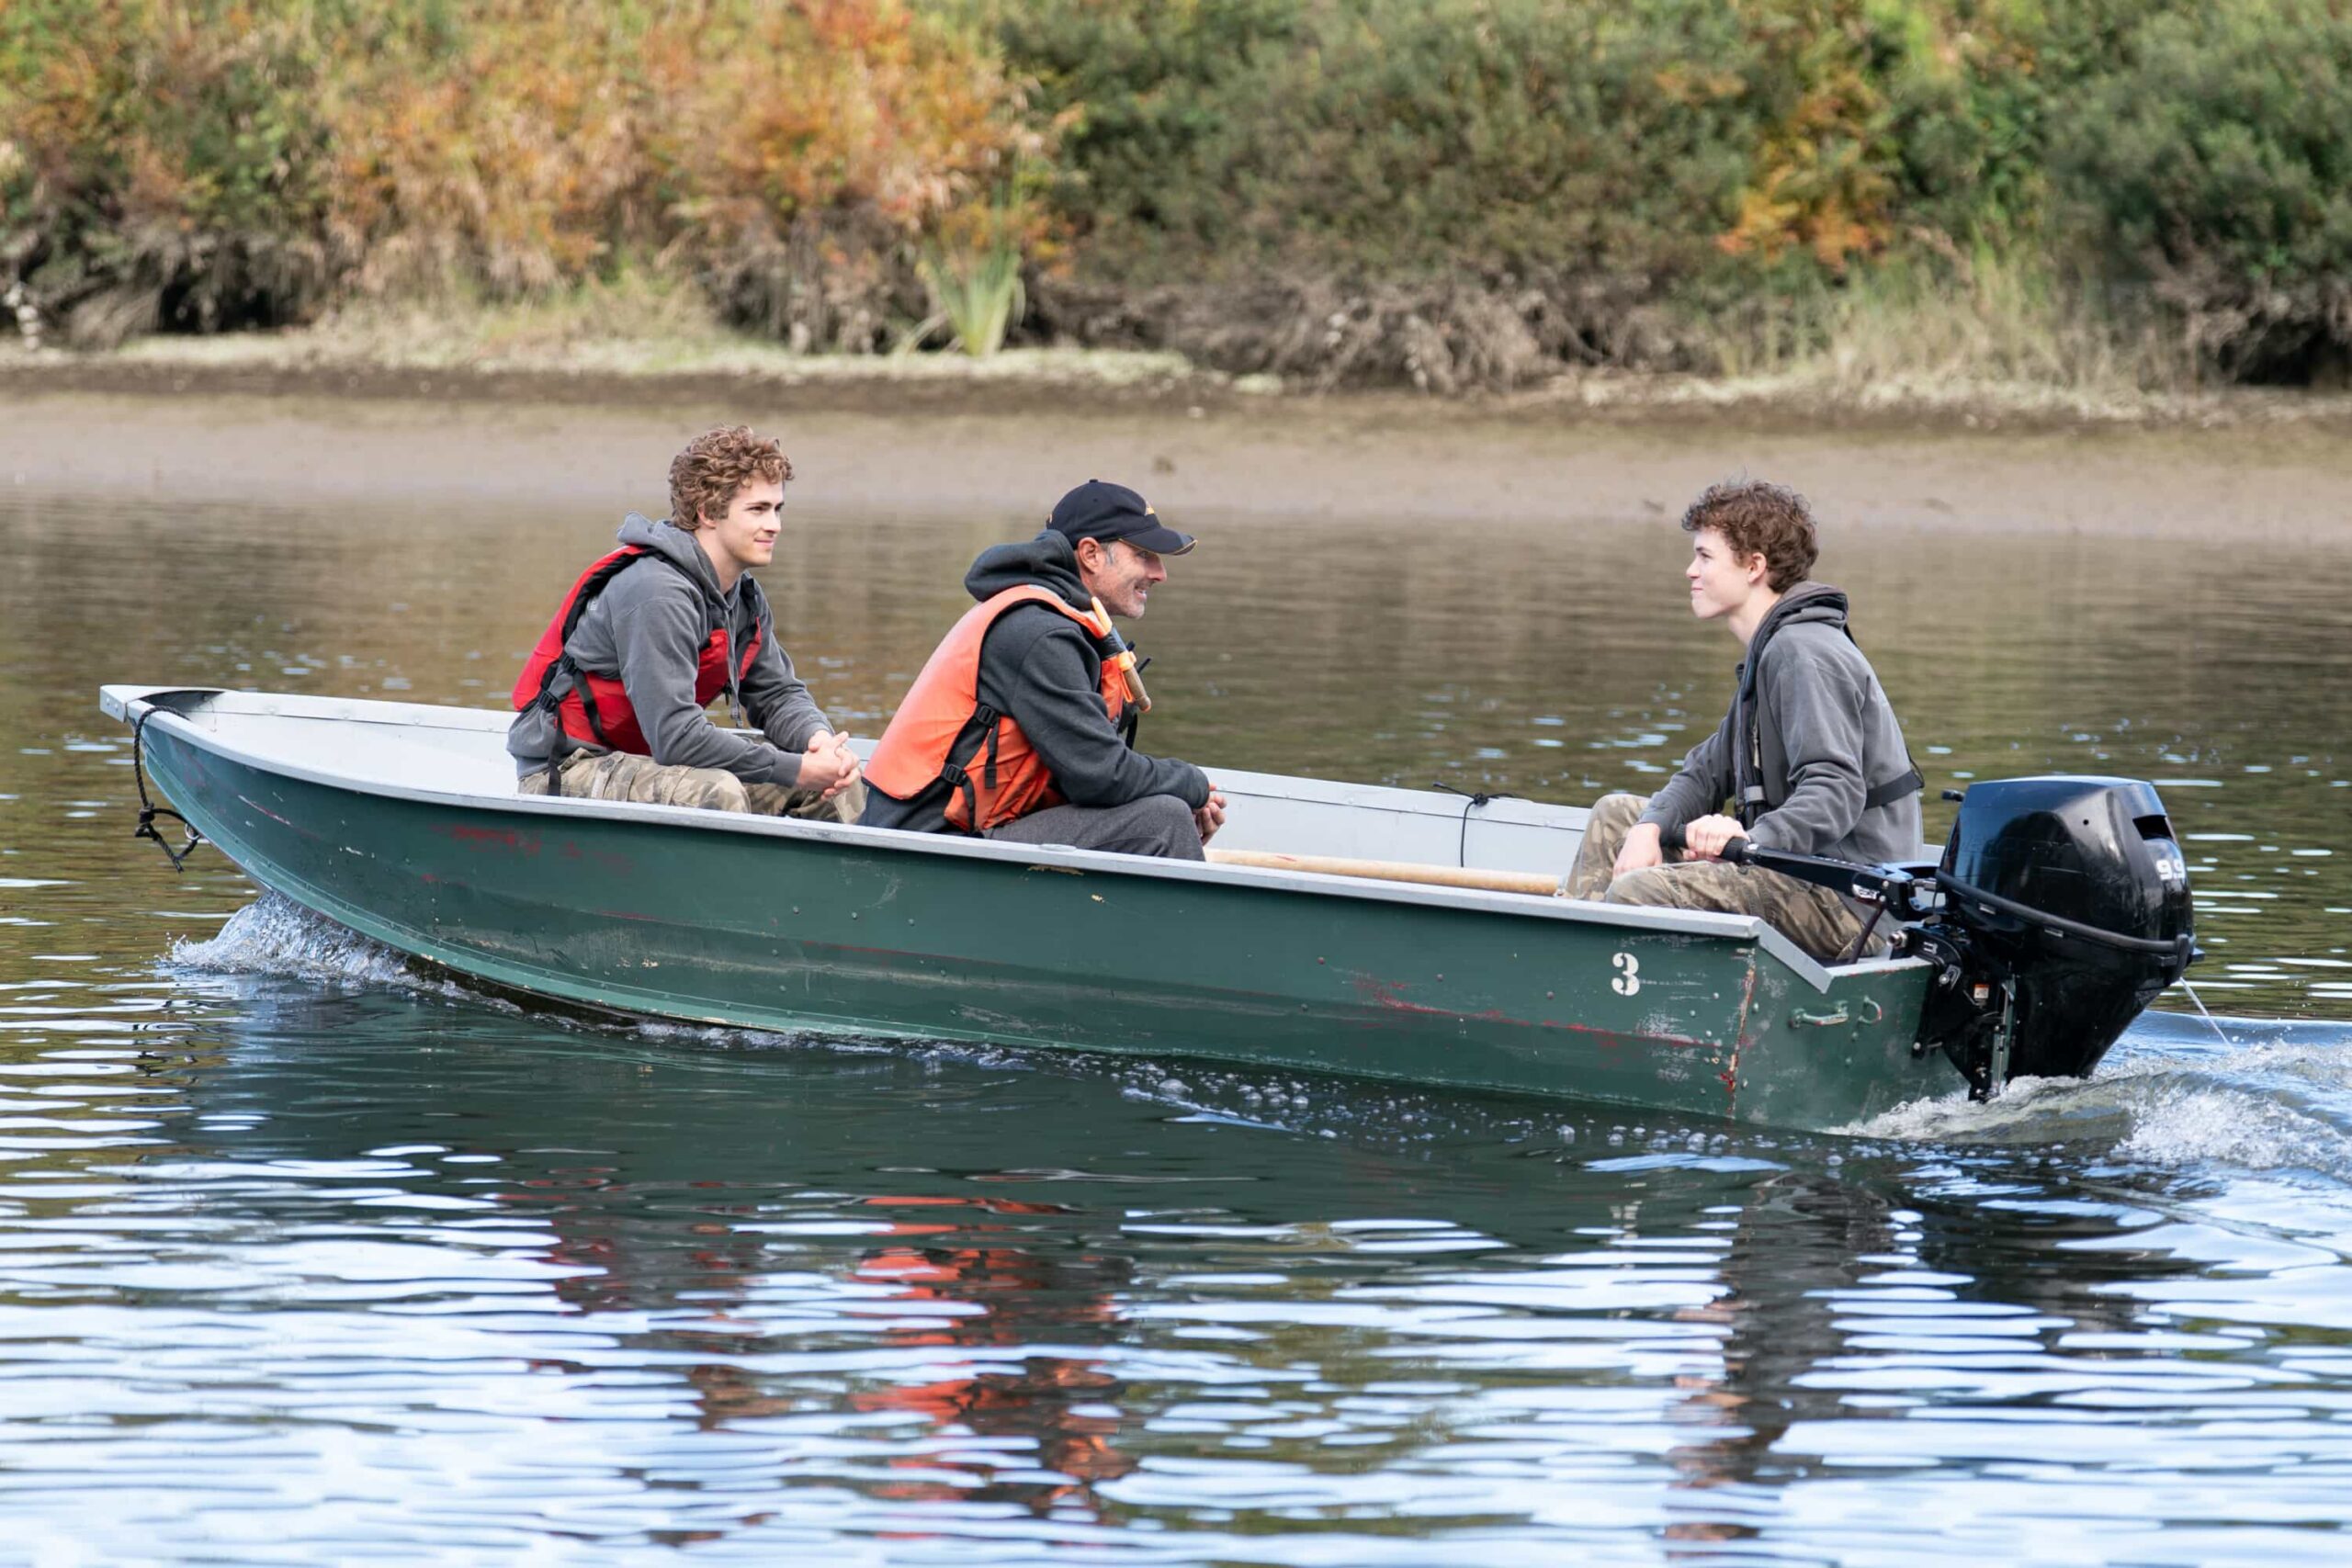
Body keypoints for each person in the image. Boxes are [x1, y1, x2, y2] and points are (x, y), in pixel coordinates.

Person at [1566, 479, 1921, 962]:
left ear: (1754, 566)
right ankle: (1577, 963)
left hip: (1850, 905)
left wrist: (1748, 839)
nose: (1690, 571)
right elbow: (1707, 772)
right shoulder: (1771, 652)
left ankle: (1604, 992)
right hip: (1792, 870)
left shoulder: (1803, 654)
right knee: (1619, 818)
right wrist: (1650, 829)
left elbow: (1833, 794)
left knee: (1639, 893)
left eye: (1705, 557)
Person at [507, 424, 863, 820]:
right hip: (572, 767)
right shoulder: (656, 593)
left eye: (777, 509)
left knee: (839, 787)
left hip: (645, 764)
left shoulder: (741, 596)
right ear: (708, 513)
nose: (775, 525)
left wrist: (819, 743)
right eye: (758, 510)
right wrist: (796, 769)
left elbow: (777, 694)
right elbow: (676, 738)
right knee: (716, 792)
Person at [860, 479, 1224, 859]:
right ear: (1091, 554)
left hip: (967, 834)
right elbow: (1102, 776)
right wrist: (1191, 783)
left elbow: (1090, 774)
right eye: (1144, 555)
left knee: (1166, 811)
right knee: (1161, 821)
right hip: (922, 847)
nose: (1160, 572)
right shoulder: (1041, 634)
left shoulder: (1061, 620)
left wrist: (1176, 794)